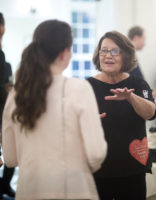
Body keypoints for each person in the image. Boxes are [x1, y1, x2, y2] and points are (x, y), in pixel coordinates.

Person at [2, 19, 107, 200]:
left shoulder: (16, 94)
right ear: (64, 53)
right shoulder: (79, 89)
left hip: (29, 190)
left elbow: (10, 158)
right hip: (72, 190)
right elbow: (95, 154)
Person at [88, 31, 156, 200]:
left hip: (132, 170)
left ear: (125, 55)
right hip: (98, 170)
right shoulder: (87, 86)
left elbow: (151, 113)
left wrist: (130, 97)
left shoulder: (138, 84)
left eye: (114, 51)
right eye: (104, 50)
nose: (107, 56)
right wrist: (86, 122)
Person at [128, 25, 156, 111]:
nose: (145, 43)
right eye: (144, 39)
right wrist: (148, 96)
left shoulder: (132, 54)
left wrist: (149, 93)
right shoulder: (128, 56)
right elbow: (133, 83)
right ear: (136, 38)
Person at [0, 12, 15, 199]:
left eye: (2, 35)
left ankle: (4, 186)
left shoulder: (3, 58)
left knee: (11, 153)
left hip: (4, 113)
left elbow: (7, 88)